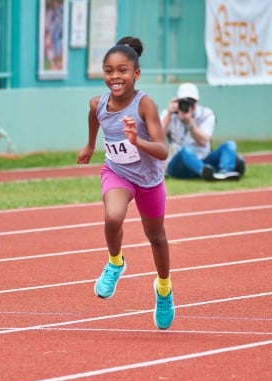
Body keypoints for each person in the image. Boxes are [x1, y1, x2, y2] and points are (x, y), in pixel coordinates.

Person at [76, 36, 175, 330]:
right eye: (109, 71)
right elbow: (94, 116)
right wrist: (90, 145)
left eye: (122, 71)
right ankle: (116, 262)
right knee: (113, 216)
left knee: (156, 237)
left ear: (136, 74)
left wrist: (136, 140)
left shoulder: (145, 105)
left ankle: (164, 289)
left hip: (149, 180)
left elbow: (163, 150)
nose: (115, 77)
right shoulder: (99, 103)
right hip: (117, 172)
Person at [160, 82, 244, 181]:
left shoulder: (206, 114)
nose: (188, 105)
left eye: (192, 102)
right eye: (184, 102)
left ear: (197, 102)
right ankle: (204, 172)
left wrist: (189, 122)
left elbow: (203, 141)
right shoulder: (169, 114)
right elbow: (157, 136)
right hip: (179, 164)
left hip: (204, 159)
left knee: (230, 144)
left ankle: (224, 173)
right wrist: (169, 113)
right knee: (185, 150)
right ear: (178, 101)